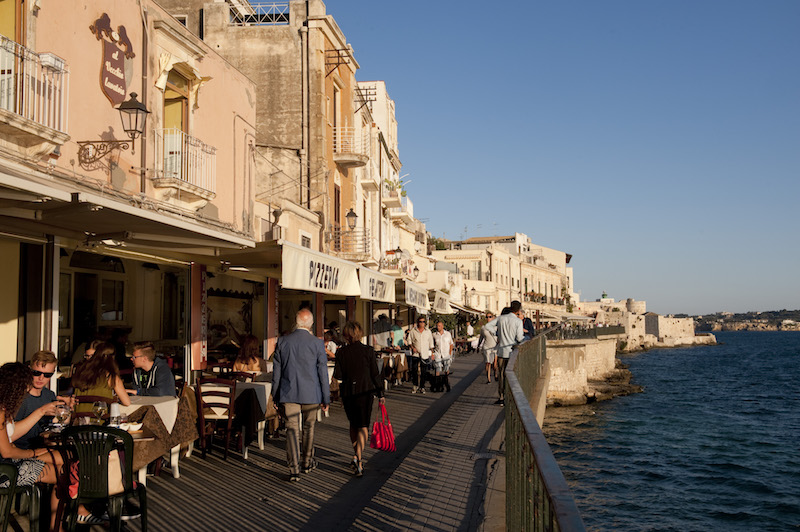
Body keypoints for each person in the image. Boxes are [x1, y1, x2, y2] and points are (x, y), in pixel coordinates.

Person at [0, 362, 97, 527]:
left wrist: (44, 411)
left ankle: (61, 520)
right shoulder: (1, 412)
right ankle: (62, 521)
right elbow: (7, 452)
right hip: (5, 470)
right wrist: (34, 453)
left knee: (66, 460)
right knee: (65, 468)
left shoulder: (4, 409)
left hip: (10, 461)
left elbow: (12, 435)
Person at [271, 309, 330, 481]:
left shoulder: (283, 341)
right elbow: (322, 373)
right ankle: (306, 461)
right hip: (311, 393)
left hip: (289, 393)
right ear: (310, 323)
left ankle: (294, 468)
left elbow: (277, 373)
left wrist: (275, 396)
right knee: (309, 428)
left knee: (291, 430)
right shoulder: (317, 344)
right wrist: (326, 398)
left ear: (296, 322)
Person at [332, 321, 384, 477]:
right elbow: (375, 373)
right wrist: (381, 393)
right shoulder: (368, 351)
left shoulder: (341, 353)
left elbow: (338, 376)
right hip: (365, 392)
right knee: (363, 426)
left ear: (346, 335)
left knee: (353, 425)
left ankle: (357, 456)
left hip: (348, 392)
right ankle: (359, 458)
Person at [12, 350, 76, 450]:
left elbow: (56, 424)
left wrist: (66, 409)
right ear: (29, 370)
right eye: (36, 373)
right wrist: (41, 411)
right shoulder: (18, 396)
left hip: (43, 448)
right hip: (20, 450)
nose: (41, 378)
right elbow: (10, 433)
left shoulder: (49, 395)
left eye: (47, 375)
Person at [483, 301, 525, 406]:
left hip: (501, 351)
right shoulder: (518, 321)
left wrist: (497, 334)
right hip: (512, 352)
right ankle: (510, 397)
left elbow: (487, 326)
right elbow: (520, 338)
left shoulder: (501, 318)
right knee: (512, 376)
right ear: (518, 310)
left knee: (501, 375)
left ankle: (501, 397)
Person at [72, 342, 131, 415]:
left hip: (78, 422)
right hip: (100, 422)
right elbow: (127, 402)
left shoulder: (80, 374)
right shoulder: (110, 377)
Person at [407, 316, 434, 394]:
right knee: (414, 370)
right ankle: (415, 385)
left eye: (423, 322)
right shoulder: (413, 331)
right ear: (417, 322)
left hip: (425, 354)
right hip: (416, 354)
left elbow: (431, 343)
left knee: (424, 371)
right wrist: (412, 347)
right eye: (420, 322)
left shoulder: (428, 331)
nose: (422, 323)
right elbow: (409, 341)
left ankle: (422, 386)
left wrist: (432, 353)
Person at [431, 321, 453, 392]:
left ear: (442, 326)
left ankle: (447, 383)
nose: (438, 327)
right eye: (437, 326)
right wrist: (432, 353)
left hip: (446, 354)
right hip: (438, 354)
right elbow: (432, 345)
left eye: (439, 326)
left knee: (446, 370)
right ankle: (438, 385)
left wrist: (450, 353)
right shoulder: (434, 335)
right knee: (437, 369)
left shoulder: (448, 334)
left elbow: (451, 344)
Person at [478, 313, 498, 384]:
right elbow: (481, 338)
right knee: (488, 363)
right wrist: (478, 345)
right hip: (486, 347)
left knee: (495, 365)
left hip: (495, 347)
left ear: (493, 318)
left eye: (490, 317)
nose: (488, 318)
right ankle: (488, 379)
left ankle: (496, 374)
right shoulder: (483, 328)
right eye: (487, 317)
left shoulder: (496, 327)